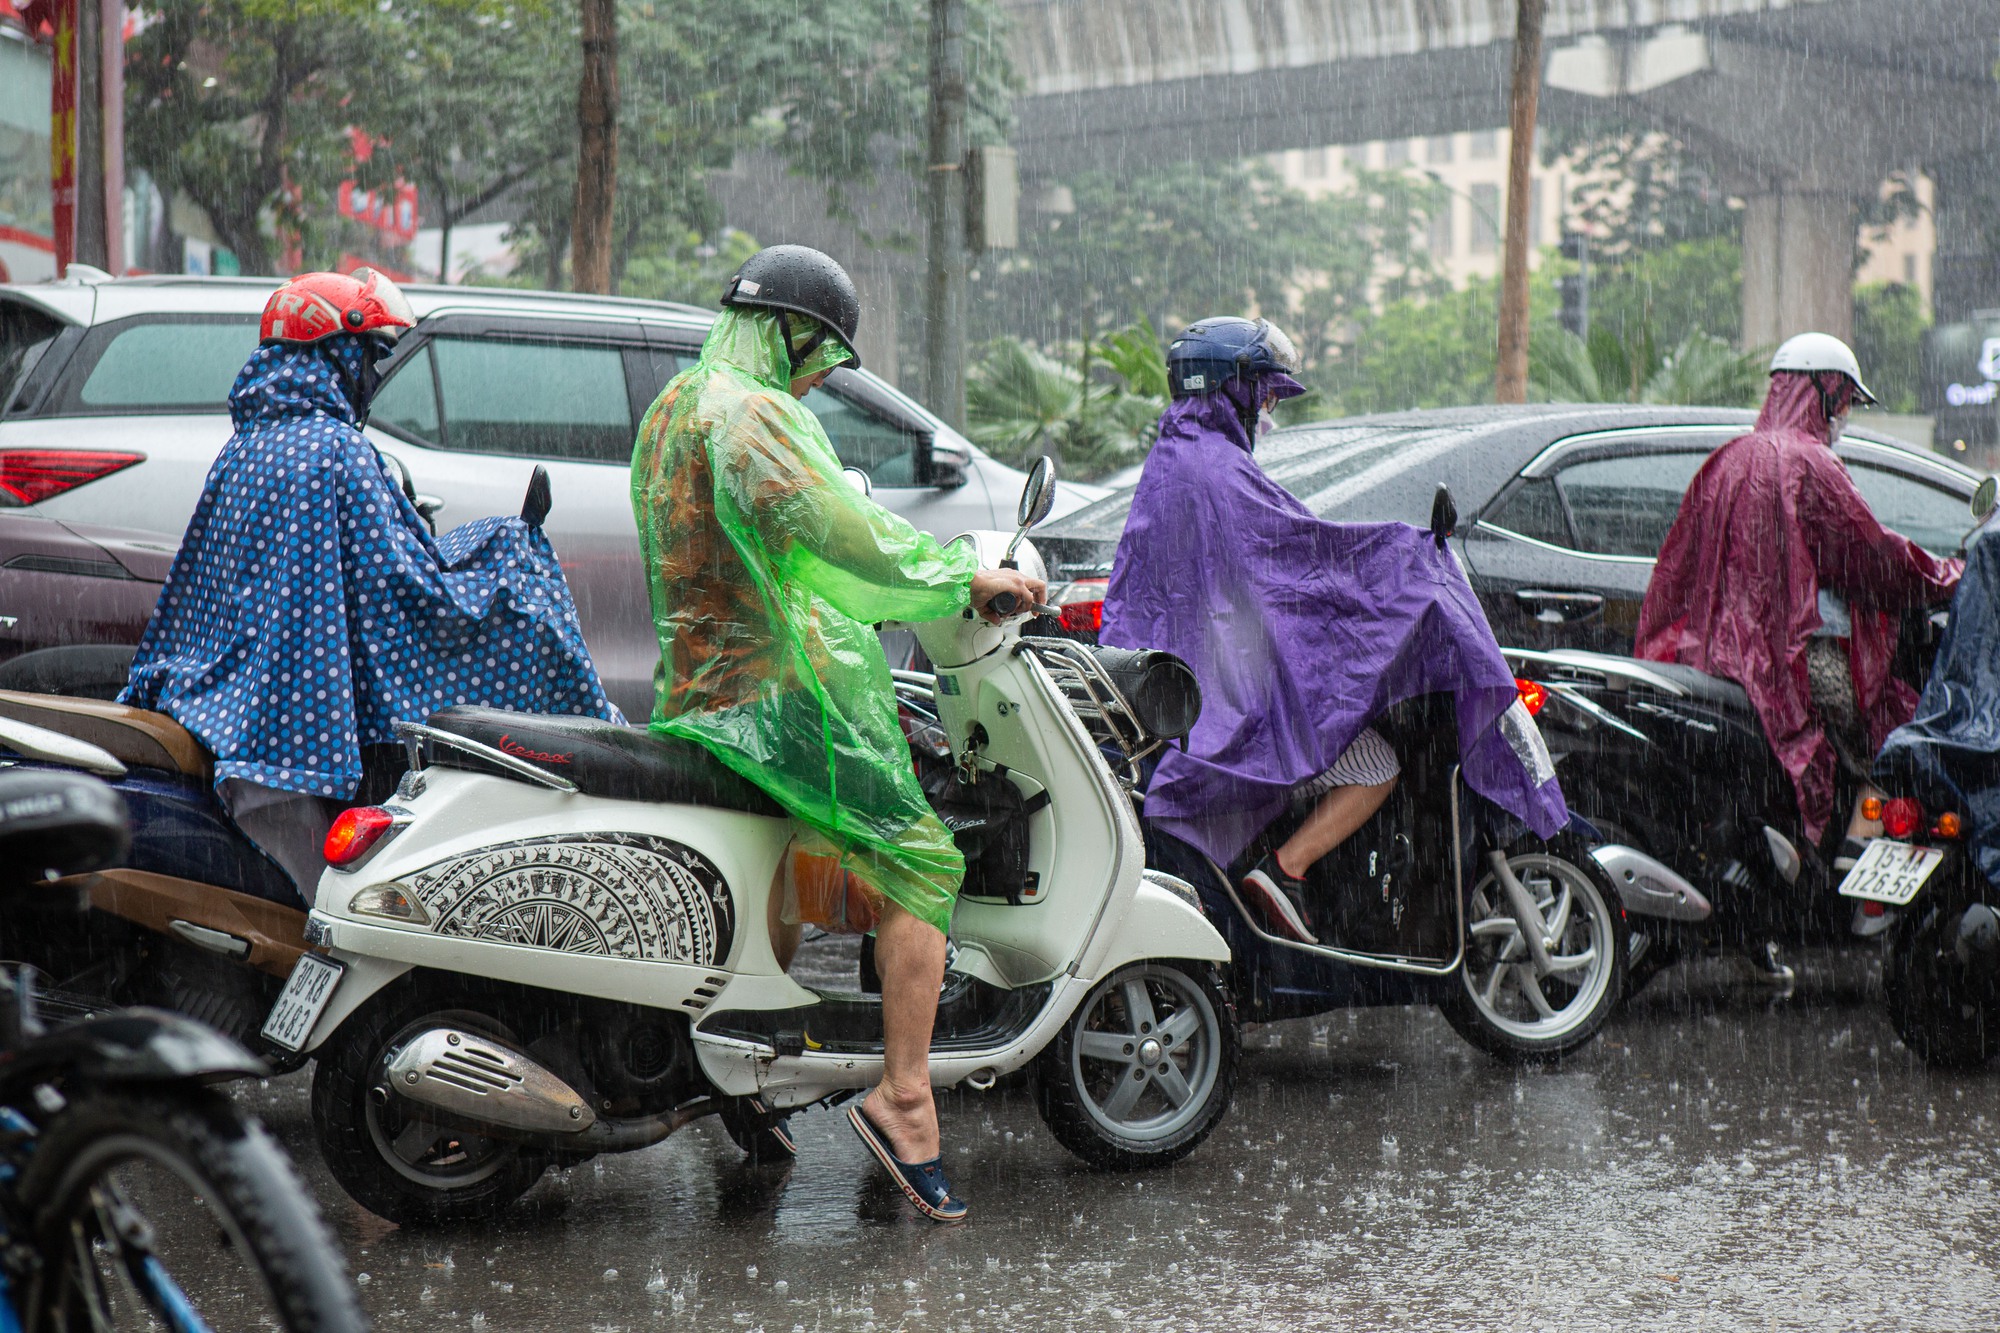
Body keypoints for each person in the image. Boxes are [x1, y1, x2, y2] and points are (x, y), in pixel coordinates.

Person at [629, 244, 1040, 1222]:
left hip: (702, 689)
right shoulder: (756, 412)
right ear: (792, 331)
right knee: (920, 864)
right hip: (778, 689)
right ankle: (903, 1097)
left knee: (778, 857)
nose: (822, 376)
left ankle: (752, 1078)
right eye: (821, 355)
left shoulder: (679, 404)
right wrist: (957, 578)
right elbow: (842, 538)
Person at [122, 268, 619, 898]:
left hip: (224, 697)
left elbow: (384, 560)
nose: (375, 377)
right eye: (370, 357)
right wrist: (512, 554)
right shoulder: (337, 452)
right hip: (278, 720)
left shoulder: (249, 444)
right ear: (334, 353)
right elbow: (410, 588)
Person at [1101, 316, 1567, 944]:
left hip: (1185, 694)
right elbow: (1301, 559)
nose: (1267, 412)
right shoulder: (1219, 471)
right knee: (1375, 764)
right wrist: (1404, 559)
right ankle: (1285, 872)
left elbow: (1275, 561)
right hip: (1220, 705)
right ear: (1230, 389)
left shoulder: (1180, 459)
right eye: (1264, 395)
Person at [1634, 332, 1961, 973]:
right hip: (1782, 658)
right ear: (1825, 391)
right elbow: (1872, 555)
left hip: (1708, 656)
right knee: (1895, 735)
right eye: (1845, 400)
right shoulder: (1810, 464)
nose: (1846, 414)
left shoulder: (1729, 458)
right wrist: (1950, 575)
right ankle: (1859, 877)